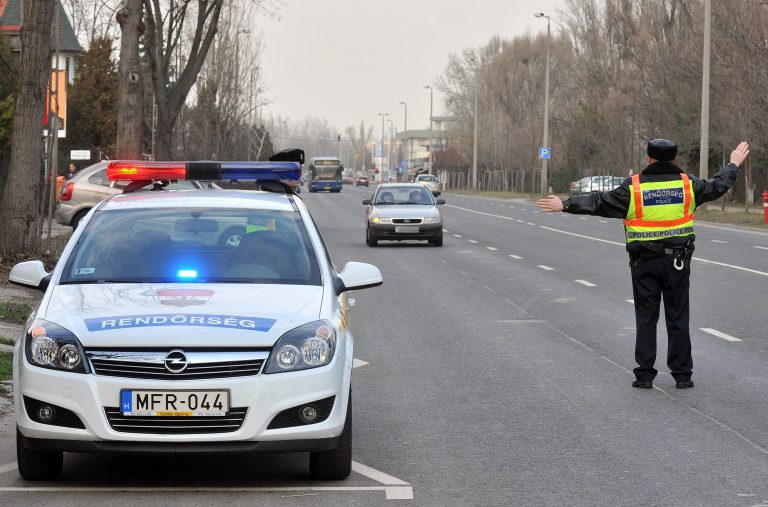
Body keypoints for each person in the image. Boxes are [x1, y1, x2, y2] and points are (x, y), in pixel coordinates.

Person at [537, 139, 750, 390]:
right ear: (673, 159)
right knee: (678, 317)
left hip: (644, 263)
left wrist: (565, 204)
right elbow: (718, 185)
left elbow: (601, 202)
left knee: (646, 318)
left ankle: (645, 375)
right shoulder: (688, 185)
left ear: (649, 158)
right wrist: (733, 163)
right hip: (677, 261)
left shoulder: (634, 187)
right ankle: (682, 375)